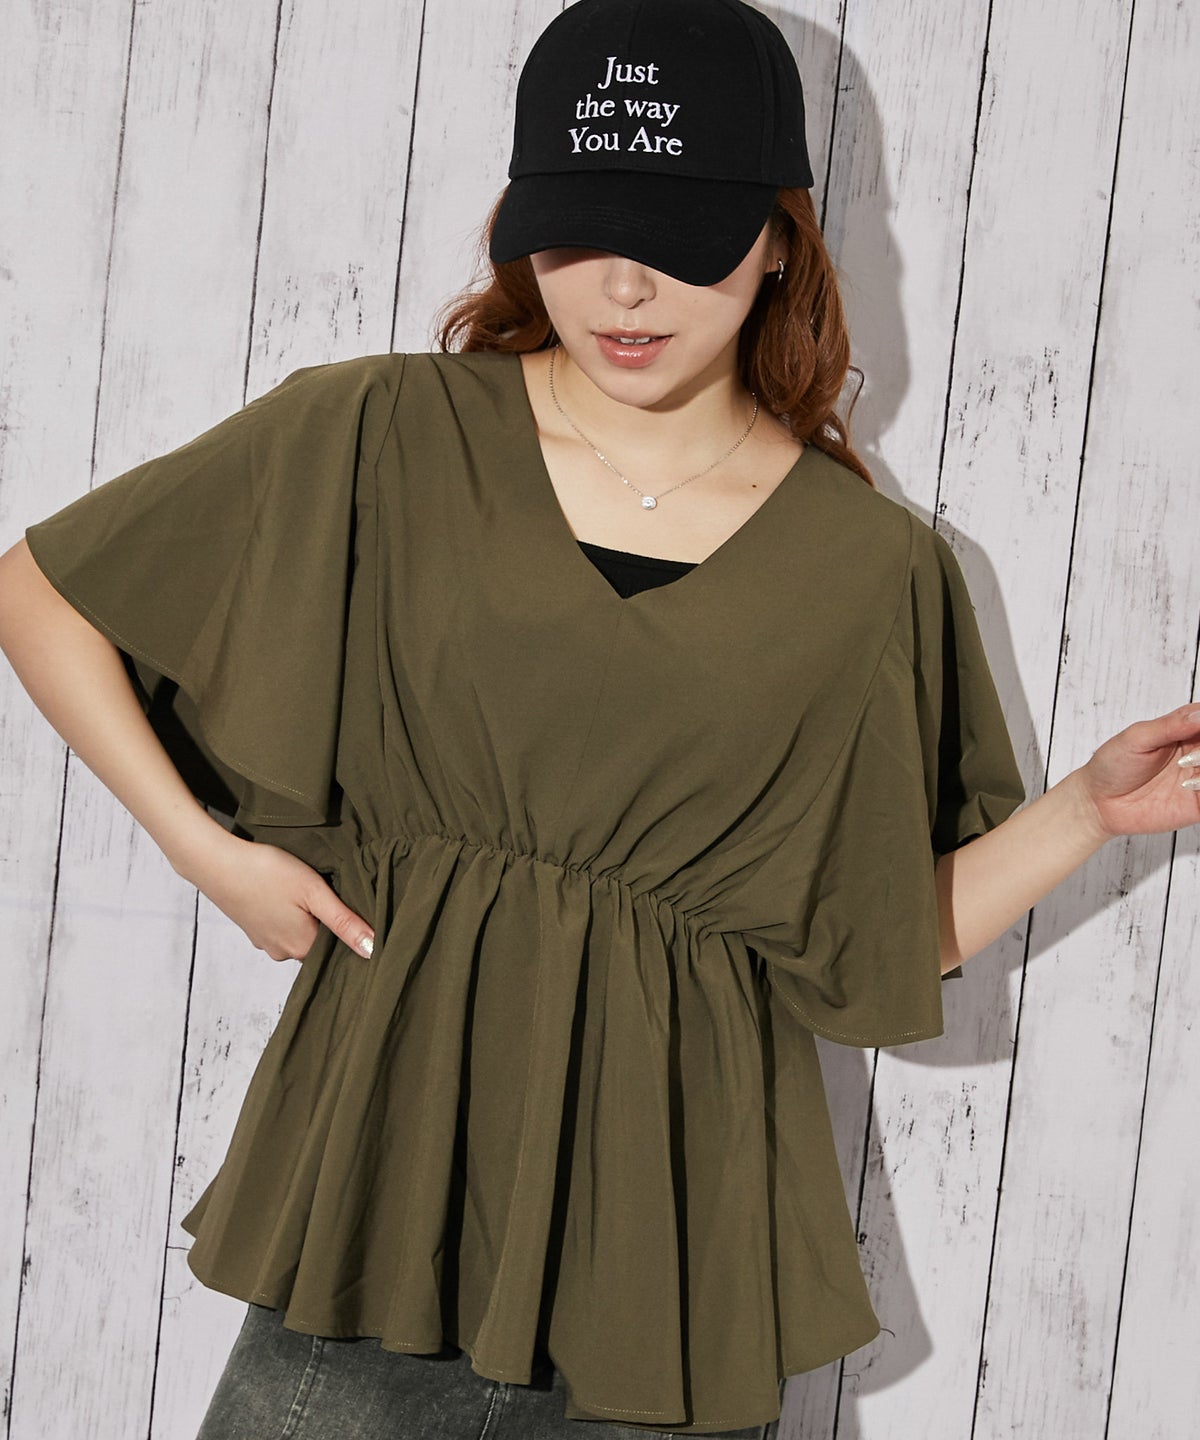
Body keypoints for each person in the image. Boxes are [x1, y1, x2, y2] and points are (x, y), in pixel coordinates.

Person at [0, 0, 1196, 1435]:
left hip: (674, 1249)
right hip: (390, 1189)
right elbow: (43, 593)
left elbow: (874, 939)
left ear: (779, 240)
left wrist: (1088, 811)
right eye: (577, 234)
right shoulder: (381, 430)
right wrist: (211, 856)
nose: (625, 288)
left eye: (678, 238)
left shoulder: (870, 569)